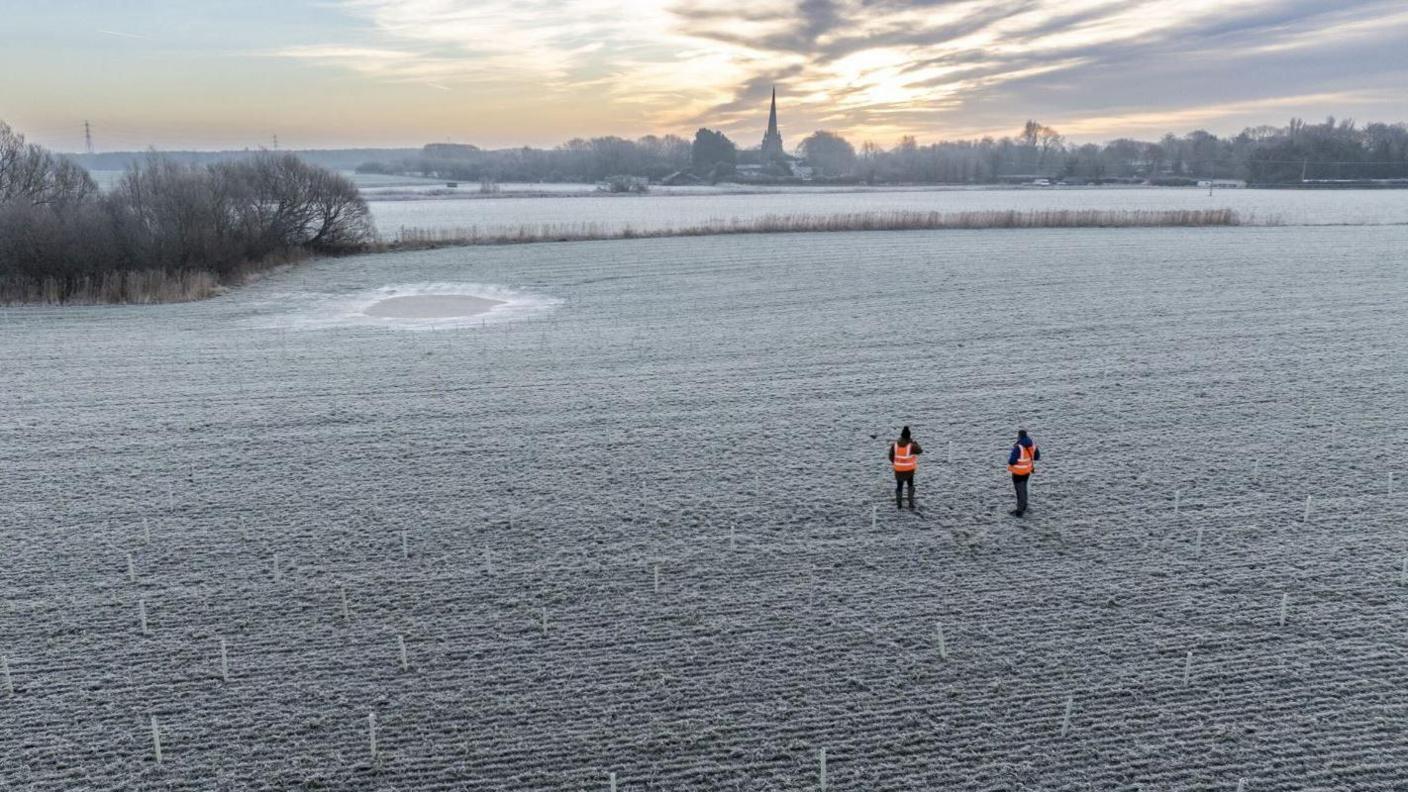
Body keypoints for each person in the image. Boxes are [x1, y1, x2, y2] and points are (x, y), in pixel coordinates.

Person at [1007, 429, 1040, 517]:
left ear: (1019, 436)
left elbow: (1012, 461)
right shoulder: (1032, 445)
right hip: (1027, 471)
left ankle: (1019, 511)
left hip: (1018, 472)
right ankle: (1024, 505)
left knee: (1019, 491)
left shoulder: (1018, 447)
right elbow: (1037, 457)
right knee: (1024, 488)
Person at [889, 426, 923, 510]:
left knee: (899, 486)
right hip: (909, 470)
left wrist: (896, 463)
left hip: (898, 470)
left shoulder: (895, 445)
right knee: (910, 485)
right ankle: (910, 503)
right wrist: (915, 442)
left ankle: (899, 504)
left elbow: (890, 456)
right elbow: (920, 451)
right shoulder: (911, 446)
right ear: (909, 436)